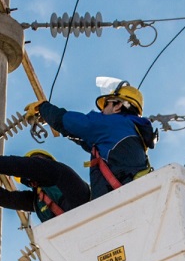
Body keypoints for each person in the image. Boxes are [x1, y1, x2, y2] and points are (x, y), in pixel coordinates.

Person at [25, 80, 156, 199]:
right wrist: (51, 119)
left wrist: (43, 108)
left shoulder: (113, 123)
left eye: (106, 105)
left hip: (119, 200)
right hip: (132, 197)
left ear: (117, 106)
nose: (102, 112)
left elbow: (73, 123)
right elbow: (83, 137)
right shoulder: (130, 132)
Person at [0, 150, 90, 223]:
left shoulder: (63, 175)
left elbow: (16, 166)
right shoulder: (37, 200)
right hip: (69, 240)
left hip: (91, 216)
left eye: (39, 161)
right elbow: (4, 199)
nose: (36, 165)